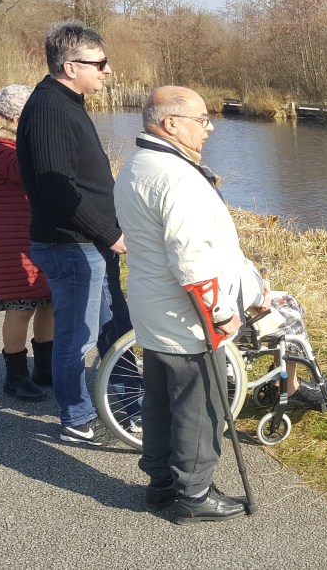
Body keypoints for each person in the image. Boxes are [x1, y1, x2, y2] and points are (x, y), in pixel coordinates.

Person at [113, 86, 251, 523]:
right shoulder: (175, 176)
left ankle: (160, 483)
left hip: (153, 306)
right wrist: (221, 314)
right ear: (171, 123)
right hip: (183, 314)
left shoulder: (138, 163)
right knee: (199, 402)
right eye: (202, 119)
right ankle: (193, 493)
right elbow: (191, 258)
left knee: (158, 398)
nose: (209, 128)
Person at [16, 21, 131, 444]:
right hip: (71, 244)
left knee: (114, 328)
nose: (107, 70)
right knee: (77, 336)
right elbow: (55, 187)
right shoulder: (48, 108)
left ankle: (125, 405)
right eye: (99, 63)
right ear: (70, 66)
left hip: (91, 241)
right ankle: (77, 419)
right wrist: (108, 231)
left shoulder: (67, 102)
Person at [0, 84, 53, 402]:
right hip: (10, 235)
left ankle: (44, 368)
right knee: (20, 305)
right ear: (18, 116)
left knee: (49, 300)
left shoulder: (18, 139)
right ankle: (15, 377)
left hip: (37, 231)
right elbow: (23, 171)